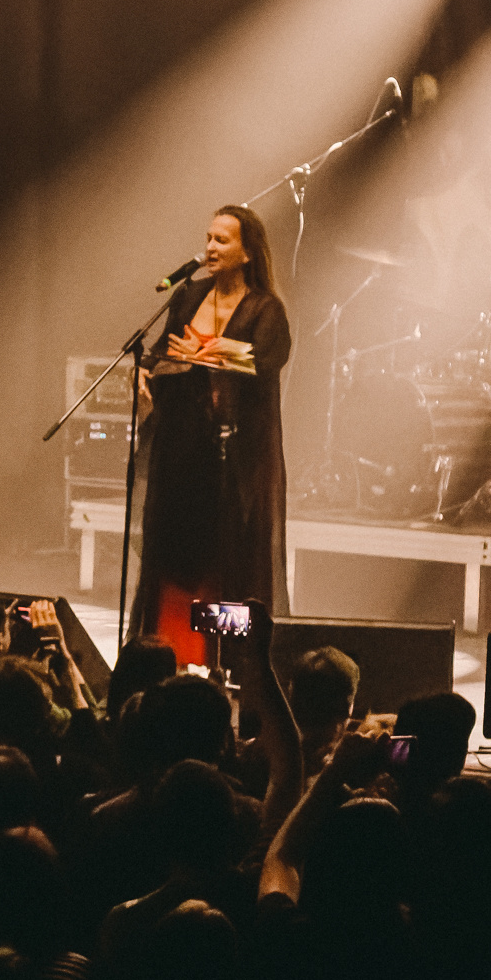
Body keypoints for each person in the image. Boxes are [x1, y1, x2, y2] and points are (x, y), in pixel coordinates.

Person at [132, 204, 292, 667]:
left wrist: (208, 351)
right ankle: (171, 656)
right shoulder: (188, 295)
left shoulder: (266, 308)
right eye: (208, 239)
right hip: (183, 448)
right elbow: (165, 349)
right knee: (175, 557)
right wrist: (144, 372)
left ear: (247, 252)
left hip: (235, 457)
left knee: (228, 564)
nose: (210, 248)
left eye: (222, 240)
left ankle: (228, 661)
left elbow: (267, 359)